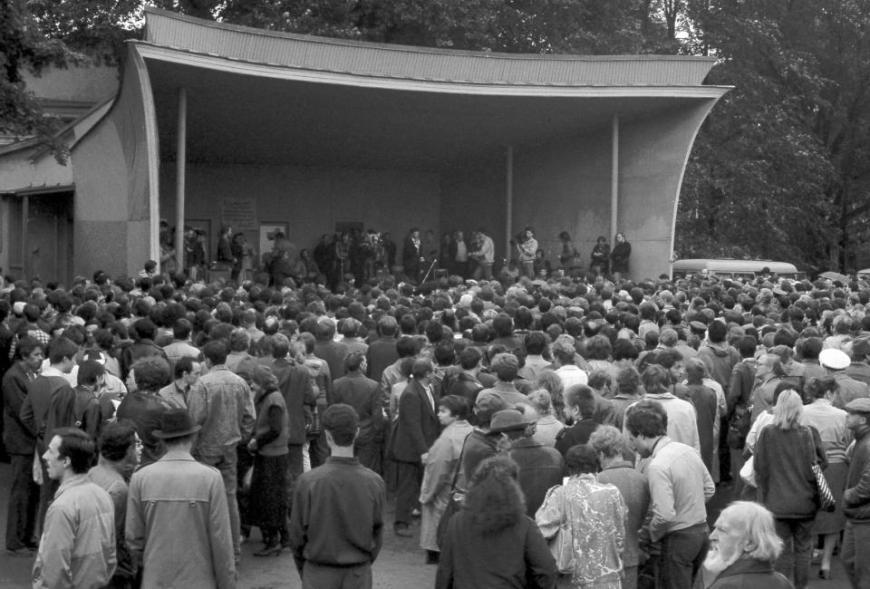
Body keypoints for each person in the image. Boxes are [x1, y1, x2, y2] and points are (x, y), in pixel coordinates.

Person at [126, 409, 236, 588]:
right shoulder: (210, 478)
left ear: (162, 440)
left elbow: (133, 539)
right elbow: (221, 542)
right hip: (199, 580)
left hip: (155, 579)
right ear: (193, 438)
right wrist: (227, 583)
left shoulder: (141, 478)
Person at [287, 404, 387, 589]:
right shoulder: (375, 482)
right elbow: (377, 533)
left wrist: (307, 570)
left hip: (318, 572)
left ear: (327, 436)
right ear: (357, 433)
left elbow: (296, 537)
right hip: (358, 573)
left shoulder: (307, 482)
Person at [625, 399, 715, 589]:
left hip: (678, 539)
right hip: (702, 532)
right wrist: (691, 506)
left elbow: (665, 514)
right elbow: (709, 488)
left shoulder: (657, 466)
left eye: (633, 440)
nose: (634, 447)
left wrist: (650, 534)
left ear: (641, 435)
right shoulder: (687, 450)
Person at [437, 455, 557, 589]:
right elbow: (546, 570)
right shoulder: (524, 525)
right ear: (514, 487)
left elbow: (445, 571)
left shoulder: (457, 522)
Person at [188, 339, 256, 561]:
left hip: (205, 449)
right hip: (230, 448)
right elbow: (249, 417)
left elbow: (195, 419)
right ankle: (234, 549)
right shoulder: (240, 383)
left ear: (207, 360)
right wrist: (240, 438)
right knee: (229, 498)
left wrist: (192, 447)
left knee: (205, 499)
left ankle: (209, 550)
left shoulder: (202, 385)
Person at [753, 389, 825, 589]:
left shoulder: (767, 433)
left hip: (776, 502)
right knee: (803, 549)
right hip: (805, 502)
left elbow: (759, 467)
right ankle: (801, 586)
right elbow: (817, 467)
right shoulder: (807, 433)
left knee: (781, 550)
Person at [536, 444, 628, 589]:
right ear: (597, 465)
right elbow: (620, 537)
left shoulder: (560, 495)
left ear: (569, 468)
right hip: (608, 578)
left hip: (573, 579)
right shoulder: (613, 493)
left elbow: (540, 534)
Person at [33, 428, 116, 589]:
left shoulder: (62, 507)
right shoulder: (103, 496)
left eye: (50, 451)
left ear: (66, 461)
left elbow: (54, 569)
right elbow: (110, 556)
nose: (44, 456)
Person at [800, 376, 850, 579]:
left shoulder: (802, 412)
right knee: (832, 513)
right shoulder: (843, 415)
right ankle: (827, 563)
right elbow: (848, 442)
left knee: (809, 510)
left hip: (809, 465)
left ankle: (809, 551)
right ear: (829, 393)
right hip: (837, 466)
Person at [590, 425, 649, 589]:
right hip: (632, 554)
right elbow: (647, 517)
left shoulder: (596, 481)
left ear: (601, 454)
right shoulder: (641, 479)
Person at [418, 394, 473, 563]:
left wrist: (427, 494)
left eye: (443, 411)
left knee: (439, 534)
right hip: (467, 490)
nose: (439, 414)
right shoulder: (471, 431)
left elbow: (438, 470)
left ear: (455, 415)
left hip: (445, 493)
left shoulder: (447, 438)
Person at [390, 358, 441, 537]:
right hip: (410, 449)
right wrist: (424, 451)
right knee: (407, 486)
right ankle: (401, 523)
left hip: (422, 446)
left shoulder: (427, 389)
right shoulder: (412, 393)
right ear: (427, 374)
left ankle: (416, 515)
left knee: (419, 483)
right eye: (433, 370)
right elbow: (413, 425)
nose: (435, 373)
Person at [3, 336, 43, 555]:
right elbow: (23, 413)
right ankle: (15, 540)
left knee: (33, 492)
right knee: (21, 492)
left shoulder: (27, 373)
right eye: (36, 355)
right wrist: (41, 431)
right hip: (21, 442)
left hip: (30, 441)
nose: (40, 359)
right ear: (24, 356)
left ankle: (28, 535)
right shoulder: (13, 377)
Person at [89, 421, 141, 589]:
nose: (141, 448)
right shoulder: (119, 490)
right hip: (112, 575)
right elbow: (117, 541)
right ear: (127, 450)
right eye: (137, 444)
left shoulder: (93, 473)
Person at [245, 364, 290, 557]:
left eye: (254, 383)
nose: (252, 387)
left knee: (270, 498)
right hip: (274, 452)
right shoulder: (274, 396)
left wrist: (257, 441)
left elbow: (275, 429)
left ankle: (274, 540)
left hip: (272, 454)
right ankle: (283, 537)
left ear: (260, 383)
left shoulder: (272, 400)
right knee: (276, 497)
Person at [701, 501, 793, 589]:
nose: (712, 536)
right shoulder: (783, 582)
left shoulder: (727, 585)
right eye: (715, 529)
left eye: (722, 530)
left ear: (750, 543)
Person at [331, 351, 384, 472]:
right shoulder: (373, 386)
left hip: (343, 434)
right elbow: (377, 415)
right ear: (361, 365)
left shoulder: (337, 384)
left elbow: (333, 410)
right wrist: (378, 436)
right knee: (365, 470)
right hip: (366, 434)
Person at [842, 397, 870, 589]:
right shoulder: (860, 441)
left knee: (863, 570)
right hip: (857, 514)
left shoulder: (867, 444)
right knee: (849, 561)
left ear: (863, 420)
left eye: (852, 414)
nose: (847, 416)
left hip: (864, 515)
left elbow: (868, 483)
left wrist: (850, 495)